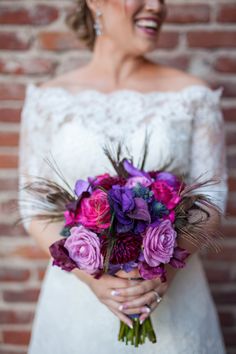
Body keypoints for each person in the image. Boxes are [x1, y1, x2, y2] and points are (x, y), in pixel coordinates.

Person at [18, 0, 228, 353]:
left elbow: (212, 200)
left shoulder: (193, 96)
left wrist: (163, 274)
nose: (157, 7)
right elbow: (33, 206)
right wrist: (93, 279)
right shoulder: (48, 101)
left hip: (173, 300)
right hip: (76, 305)